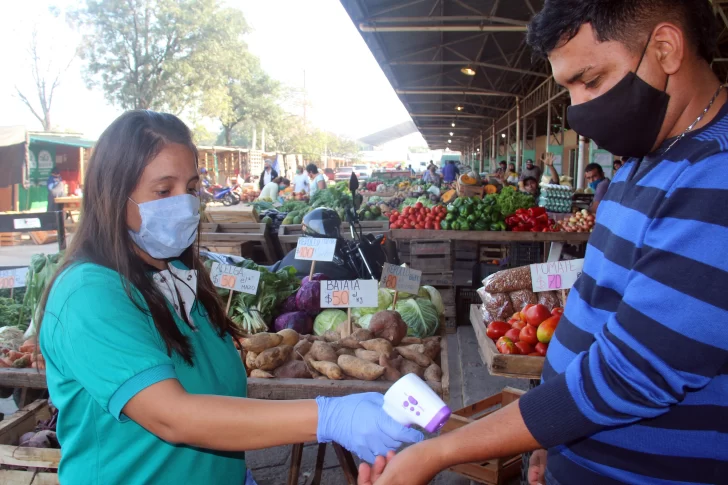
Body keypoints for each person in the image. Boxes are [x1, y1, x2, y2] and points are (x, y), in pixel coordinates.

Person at [360, 1, 728, 484]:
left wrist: (437, 452)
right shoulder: (642, 163)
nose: (577, 108)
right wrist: (548, 435)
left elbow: (632, 374)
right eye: (568, 88)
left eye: (591, 80)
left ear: (665, 48)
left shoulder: (716, 178)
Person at [36, 111, 423, 485]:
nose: (183, 203)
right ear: (114, 196)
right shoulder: (89, 295)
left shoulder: (180, 278)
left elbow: (211, 395)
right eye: (163, 190)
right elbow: (174, 416)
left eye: (190, 188)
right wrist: (329, 417)